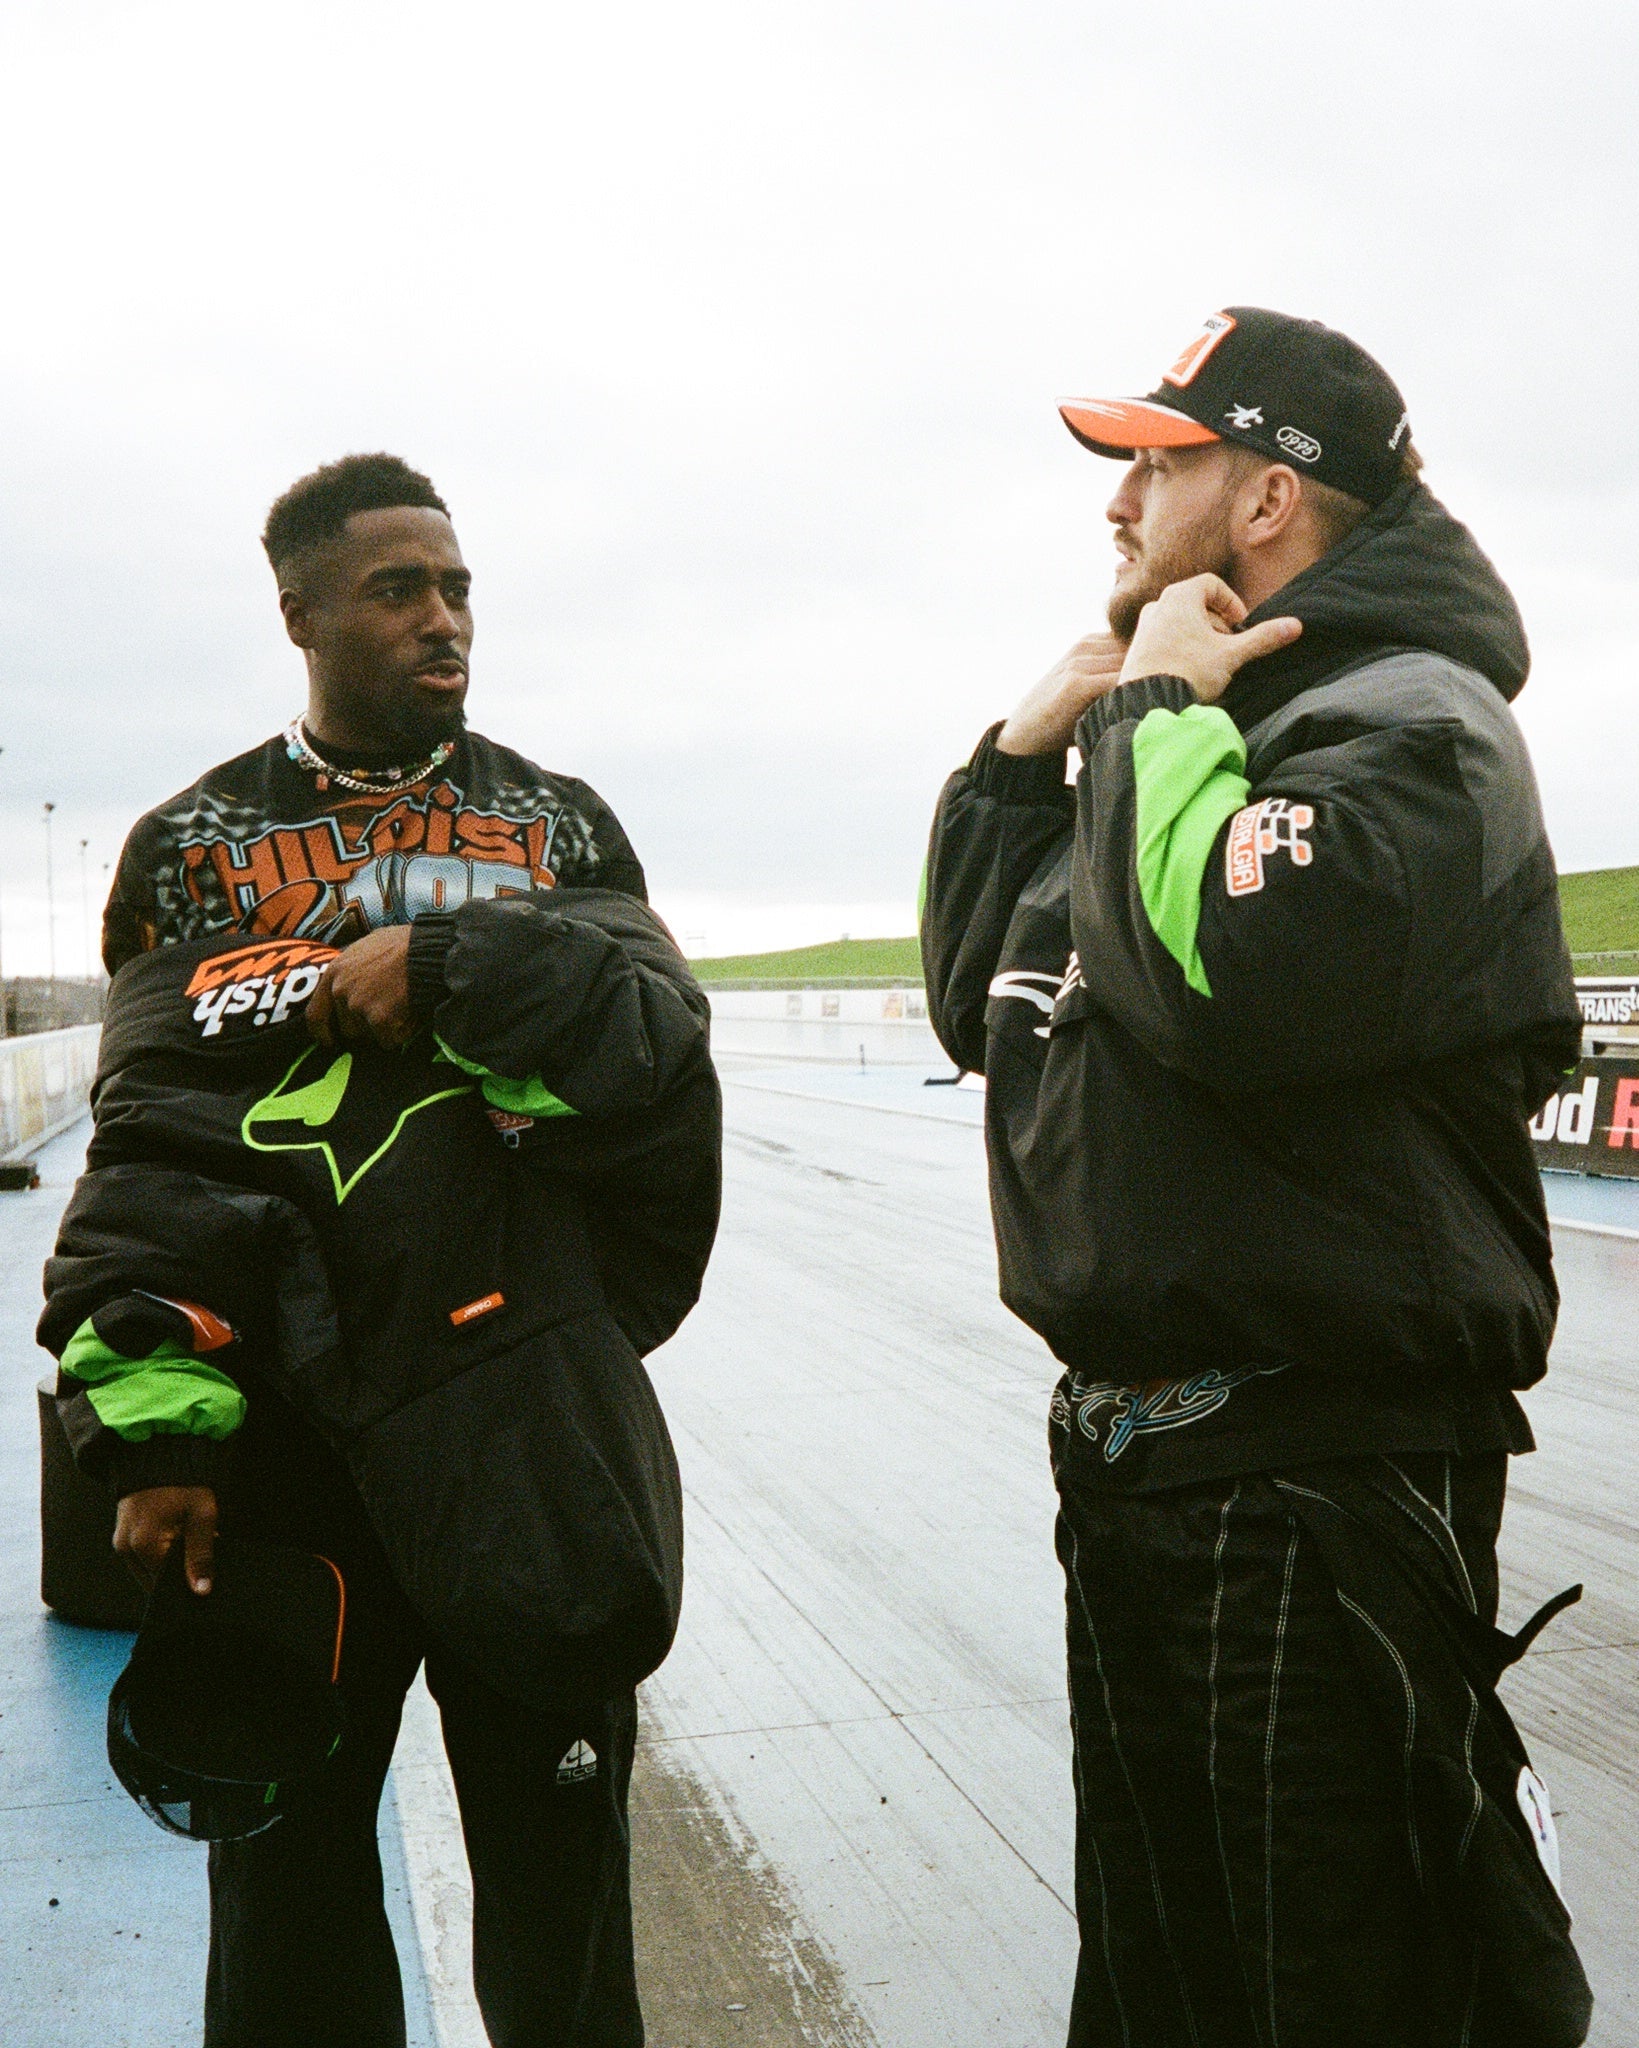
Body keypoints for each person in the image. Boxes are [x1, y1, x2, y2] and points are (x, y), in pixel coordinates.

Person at [921, 310, 1590, 2045]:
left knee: (1332, 1994)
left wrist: (1155, 708)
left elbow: (1221, 977)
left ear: (1271, 498)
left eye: (1160, 464)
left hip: (1316, 1481)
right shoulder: (1182, 740)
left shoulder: (1414, 727)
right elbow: (983, 1004)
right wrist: (1020, 762)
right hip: (1137, 1472)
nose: (1119, 502)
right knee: (1159, 1995)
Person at [69, 452, 720, 2047]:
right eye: (398, 590)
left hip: (521, 1430)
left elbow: (656, 1060)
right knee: (285, 1915)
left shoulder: (560, 825)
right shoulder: (191, 844)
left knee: (564, 1916)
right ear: (300, 613)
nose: (445, 619)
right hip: (289, 1456)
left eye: (458, 588)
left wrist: (452, 969)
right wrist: (155, 1437)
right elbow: (152, 1149)